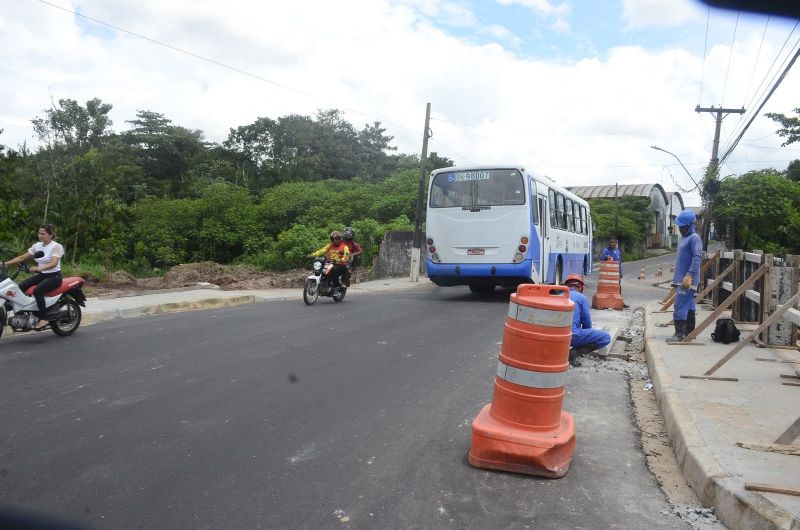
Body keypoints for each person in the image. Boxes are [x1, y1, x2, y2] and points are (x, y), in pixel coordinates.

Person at [1, 224, 65, 330]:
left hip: (54, 276)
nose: (40, 235)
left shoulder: (56, 246)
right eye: (39, 233)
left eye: (43, 233)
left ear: (50, 235)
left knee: (37, 291)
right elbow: (22, 257)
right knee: (20, 287)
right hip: (42, 275)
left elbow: (54, 263)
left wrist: (39, 268)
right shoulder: (37, 246)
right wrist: (5, 264)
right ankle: (25, 312)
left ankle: (44, 318)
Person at [668, 210, 703, 342]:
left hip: (687, 280)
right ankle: (689, 332)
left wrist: (689, 275)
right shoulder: (685, 238)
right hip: (681, 279)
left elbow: (697, 258)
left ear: (689, 225)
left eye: (682, 226)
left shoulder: (694, 238)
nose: (680, 228)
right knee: (689, 305)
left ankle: (679, 334)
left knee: (680, 306)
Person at [564, 273, 612, 367]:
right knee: (605, 338)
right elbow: (587, 323)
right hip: (572, 336)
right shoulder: (581, 298)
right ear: (581, 287)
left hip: (555, 337)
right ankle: (574, 353)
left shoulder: (558, 296)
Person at [309, 230, 350, 295]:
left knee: (334, 269)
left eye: (337, 239)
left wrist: (342, 259)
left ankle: (336, 287)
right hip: (330, 263)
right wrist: (313, 254)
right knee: (320, 267)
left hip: (340, 264)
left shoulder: (345, 246)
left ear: (340, 239)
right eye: (333, 239)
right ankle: (323, 283)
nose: (335, 241)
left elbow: (347, 255)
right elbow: (322, 250)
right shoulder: (330, 245)